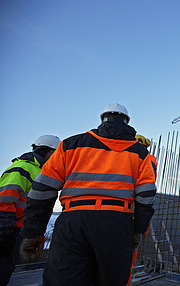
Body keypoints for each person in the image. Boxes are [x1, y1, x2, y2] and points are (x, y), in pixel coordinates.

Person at [20, 103, 157, 286]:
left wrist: (33, 231)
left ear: (102, 119)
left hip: (73, 222)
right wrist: (138, 231)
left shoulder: (70, 145)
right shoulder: (140, 153)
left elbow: (42, 189)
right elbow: (146, 196)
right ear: (127, 121)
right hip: (117, 224)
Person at [0, 135, 60, 286]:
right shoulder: (23, 167)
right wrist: (5, 228)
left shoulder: (40, 170)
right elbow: (5, 197)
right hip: (8, 230)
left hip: (19, 230)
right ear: (48, 152)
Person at [127, 134, 157, 286]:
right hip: (133, 209)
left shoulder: (146, 159)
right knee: (127, 252)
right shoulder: (147, 159)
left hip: (129, 208)